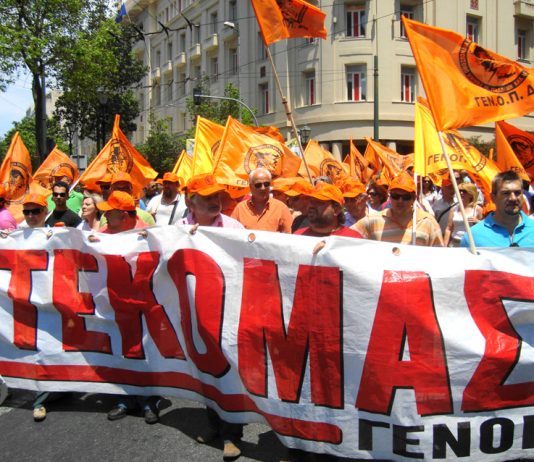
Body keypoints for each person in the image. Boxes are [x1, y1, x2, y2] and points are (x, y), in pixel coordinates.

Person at [177, 173, 244, 460]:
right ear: (191, 202)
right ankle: (213, 423)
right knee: (205, 370)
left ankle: (232, 434)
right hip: (194, 314)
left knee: (227, 369)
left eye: (217, 196)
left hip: (228, 312)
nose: (215, 201)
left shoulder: (234, 227)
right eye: (207, 197)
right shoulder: (177, 230)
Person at [96, 191, 160, 423]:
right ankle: (126, 397)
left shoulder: (151, 234)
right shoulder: (103, 234)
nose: (104, 216)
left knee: (146, 352)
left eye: (109, 213)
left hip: (145, 306)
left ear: (123, 215)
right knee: (121, 351)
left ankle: (149, 399)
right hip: (115, 304)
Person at [353, 171, 444, 246]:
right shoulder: (373, 220)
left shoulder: (428, 222)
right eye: (395, 196)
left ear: (414, 198)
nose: (400, 201)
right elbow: (346, 237)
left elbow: (439, 254)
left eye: (406, 197)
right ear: (389, 196)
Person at [461, 170, 534, 247]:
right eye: (506, 193)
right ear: (493, 198)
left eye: (517, 193)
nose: (513, 198)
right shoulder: (473, 236)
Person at [231, 168, 293, 232]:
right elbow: (232, 234)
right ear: (251, 187)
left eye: (266, 184)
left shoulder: (281, 208)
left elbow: (289, 236)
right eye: (258, 185)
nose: (263, 188)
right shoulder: (240, 209)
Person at [294, 183, 362, 238]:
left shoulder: (353, 239)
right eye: (310, 202)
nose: (311, 206)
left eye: (318, 202)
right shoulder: (298, 237)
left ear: (336, 209)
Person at [443, 182, 483, 247]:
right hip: (454, 243)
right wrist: (444, 246)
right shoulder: (453, 209)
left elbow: (482, 228)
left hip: (470, 244)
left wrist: (477, 221)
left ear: (471, 194)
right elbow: (449, 228)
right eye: (460, 191)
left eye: (464, 191)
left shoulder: (477, 209)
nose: (461, 193)